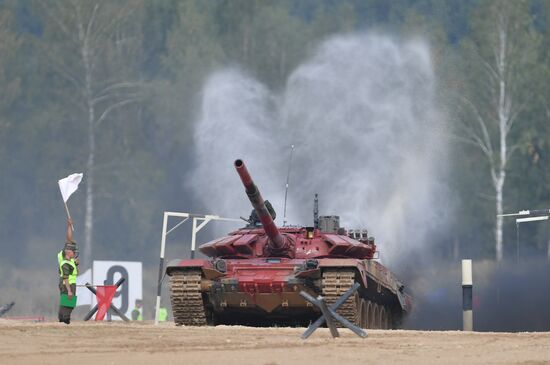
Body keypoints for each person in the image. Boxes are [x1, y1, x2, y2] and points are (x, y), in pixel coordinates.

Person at [58, 218, 79, 324]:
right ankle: (64, 320)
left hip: (68, 283)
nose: (75, 253)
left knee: (66, 302)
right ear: (68, 251)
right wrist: (69, 226)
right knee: (69, 303)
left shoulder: (69, 260)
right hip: (68, 284)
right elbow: (68, 239)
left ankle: (62, 319)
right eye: (73, 251)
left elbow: (70, 240)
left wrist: (75, 263)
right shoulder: (64, 258)